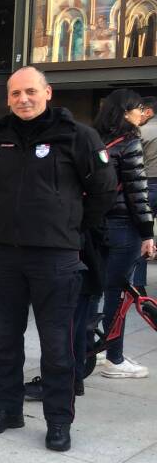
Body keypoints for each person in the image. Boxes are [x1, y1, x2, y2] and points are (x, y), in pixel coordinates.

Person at [0, 67, 116, 452]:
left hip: (55, 258)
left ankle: (59, 420)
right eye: (16, 93)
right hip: (5, 255)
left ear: (48, 92)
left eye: (31, 92)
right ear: (8, 98)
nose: (24, 99)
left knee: (56, 345)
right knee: (5, 340)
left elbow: (104, 191)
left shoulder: (79, 136)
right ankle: (6, 409)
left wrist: (70, 228)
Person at [92, 90, 155, 379]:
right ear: (125, 112)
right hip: (122, 227)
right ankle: (114, 358)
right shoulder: (130, 142)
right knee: (118, 294)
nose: (141, 114)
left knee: (92, 290)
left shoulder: (95, 139)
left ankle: (90, 347)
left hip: (95, 226)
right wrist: (147, 233)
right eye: (138, 109)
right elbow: (137, 192)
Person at [133, 96, 156, 290]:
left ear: (148, 112)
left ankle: (138, 283)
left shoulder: (141, 131)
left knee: (142, 234)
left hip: (149, 184)